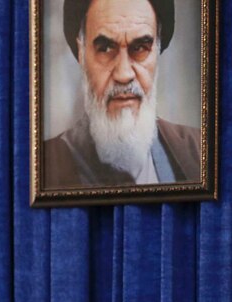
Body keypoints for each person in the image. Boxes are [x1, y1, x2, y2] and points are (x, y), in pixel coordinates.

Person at [43, 0, 201, 188]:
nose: (124, 74)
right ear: (82, 52)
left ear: (157, 51)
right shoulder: (45, 166)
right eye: (106, 49)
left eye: (140, 48)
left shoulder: (199, 151)